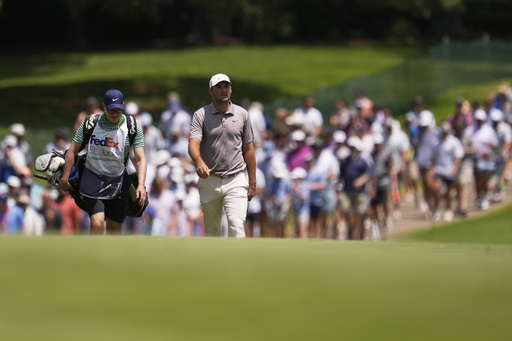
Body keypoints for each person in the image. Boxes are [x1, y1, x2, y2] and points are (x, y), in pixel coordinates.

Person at [58, 89, 148, 235]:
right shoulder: (90, 123)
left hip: (119, 180)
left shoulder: (132, 126)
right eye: (111, 110)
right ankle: (95, 255)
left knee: (114, 227)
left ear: (123, 106)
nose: (115, 114)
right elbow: (72, 150)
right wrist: (65, 177)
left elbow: (141, 158)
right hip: (93, 178)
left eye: (118, 110)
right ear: (104, 106)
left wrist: (141, 184)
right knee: (97, 222)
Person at [188, 73, 256, 238]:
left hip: (236, 178)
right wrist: (199, 161)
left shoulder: (242, 114)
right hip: (209, 179)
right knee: (212, 230)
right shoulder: (201, 115)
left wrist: (252, 181)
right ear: (211, 91)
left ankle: (237, 262)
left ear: (231, 90)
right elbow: (193, 144)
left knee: (236, 224)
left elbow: (249, 150)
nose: (223, 90)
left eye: (226, 86)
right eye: (218, 87)